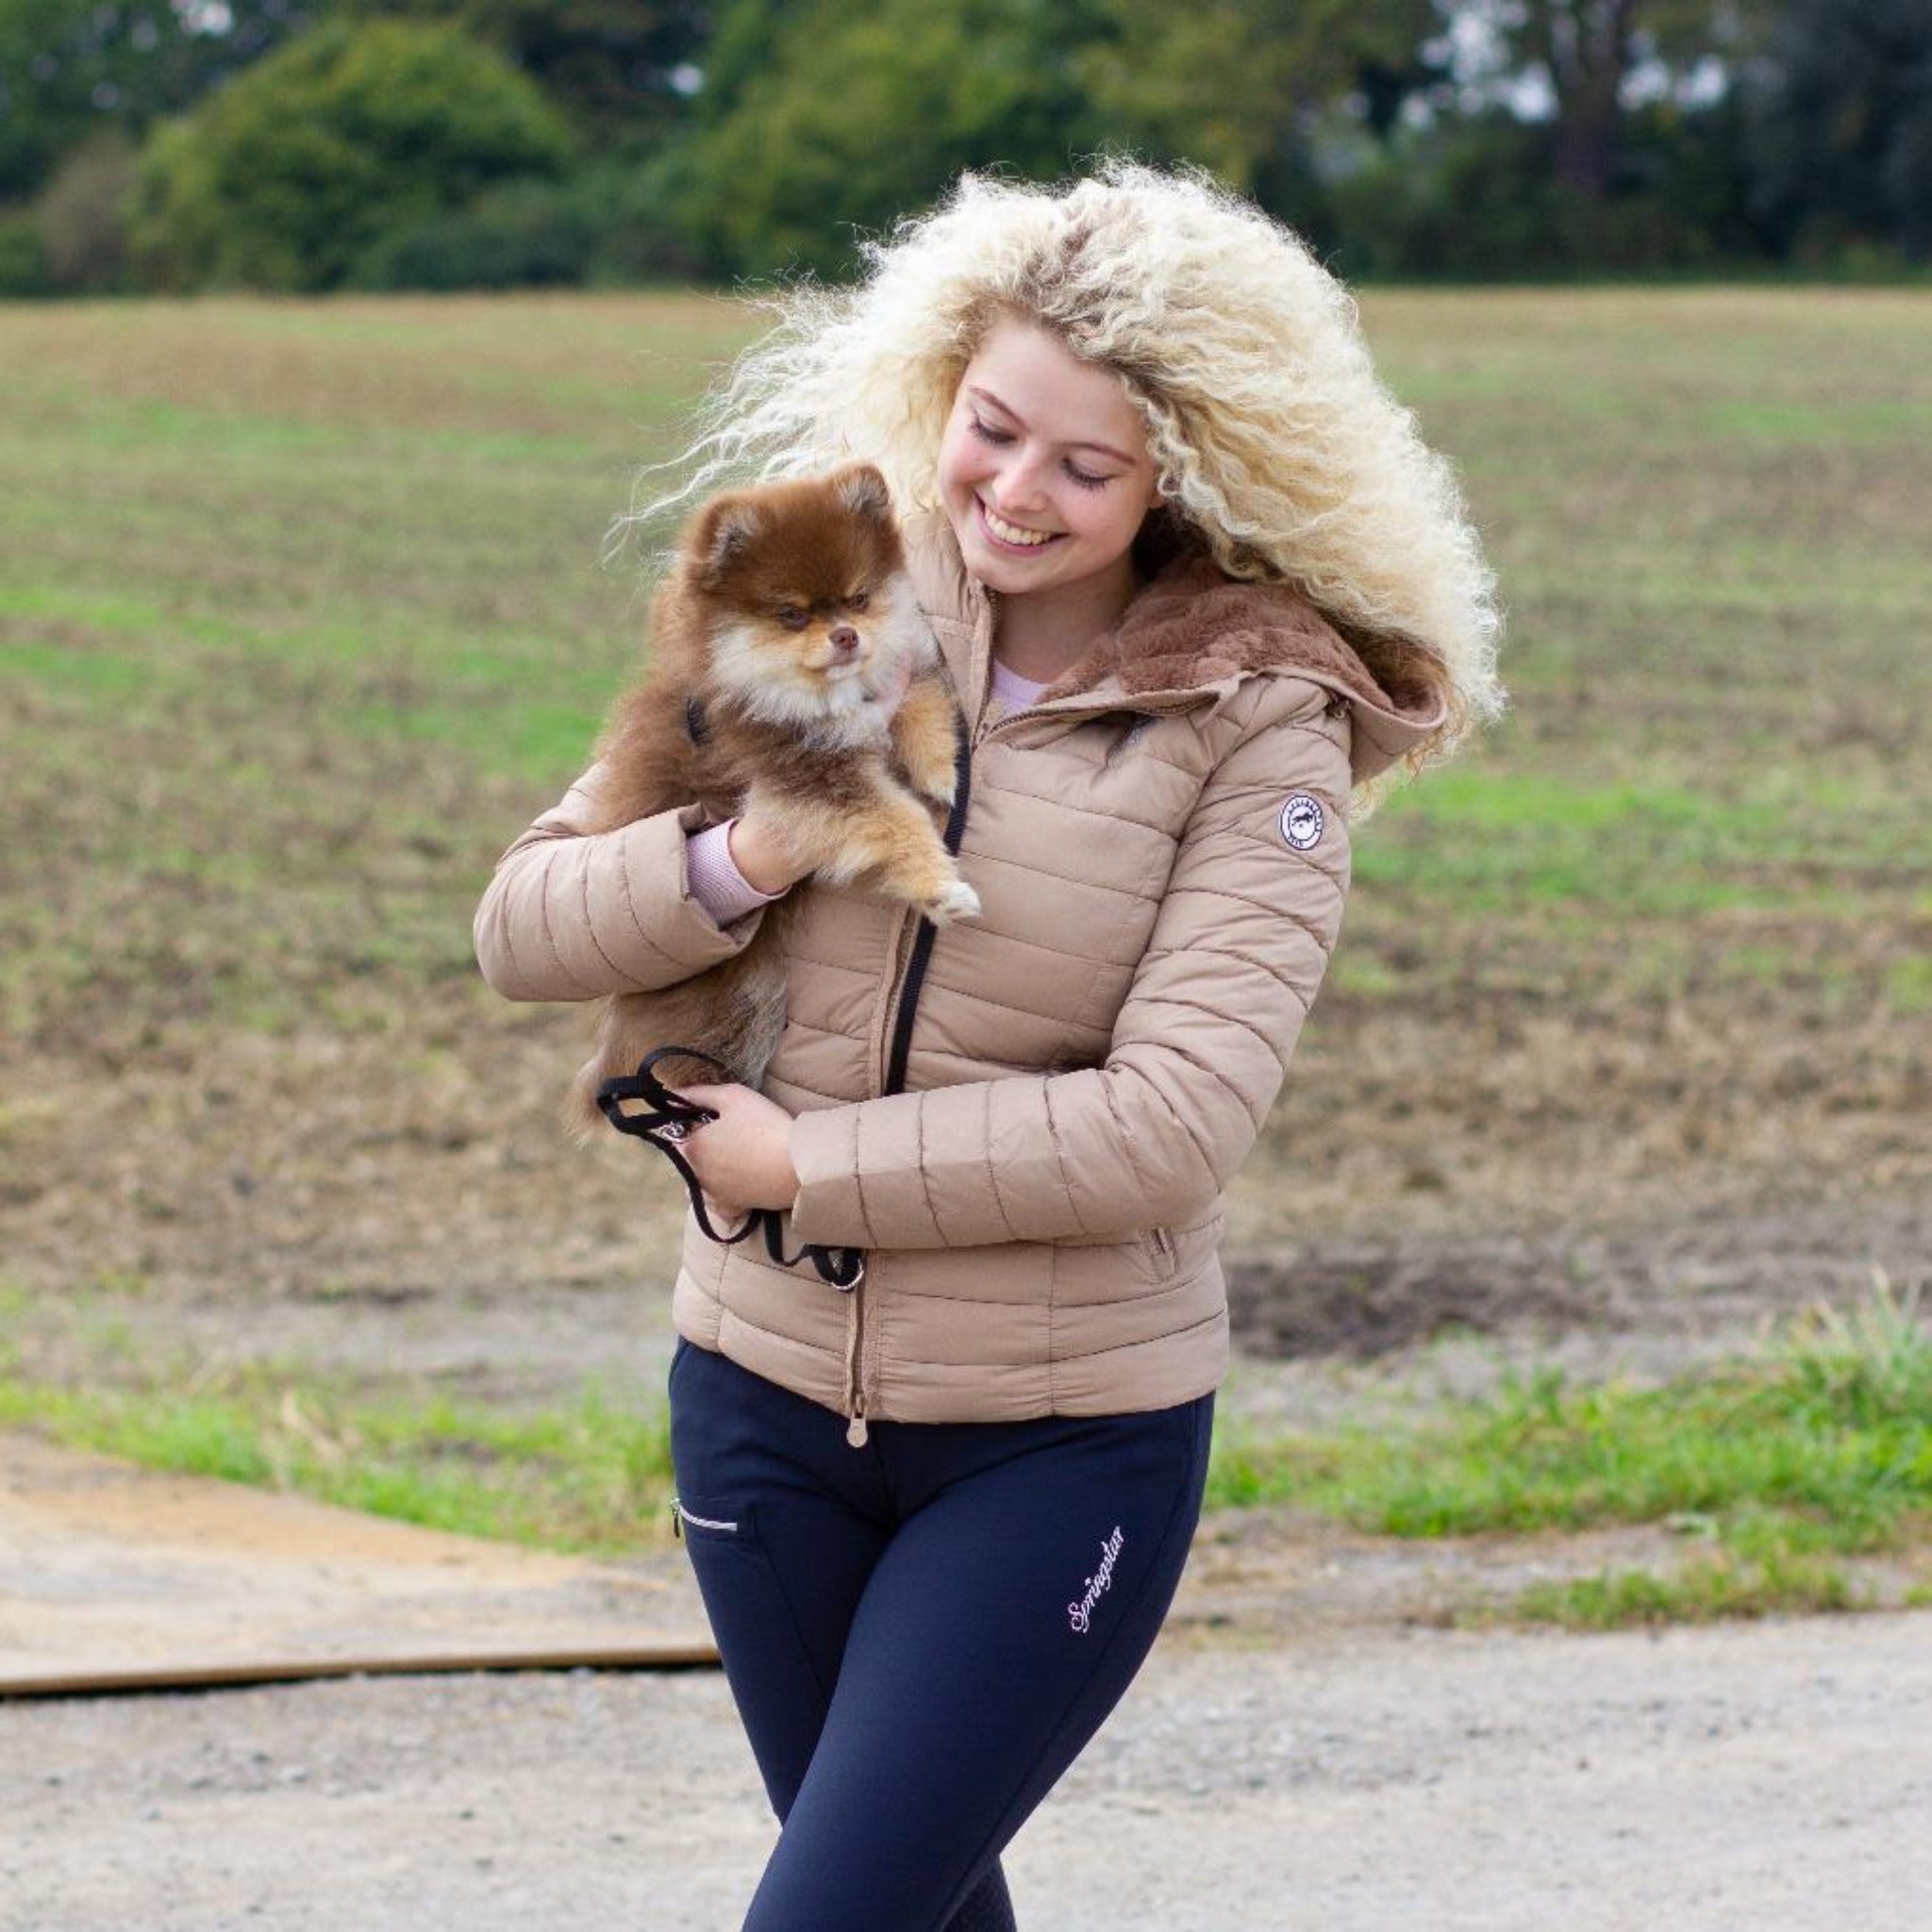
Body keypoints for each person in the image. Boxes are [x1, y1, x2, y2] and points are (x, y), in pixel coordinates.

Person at [472, 158, 1505, 1931]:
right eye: (992, 431)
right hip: (756, 1407)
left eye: (1085, 466)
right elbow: (523, 929)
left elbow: (1171, 1126)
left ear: (1192, 471)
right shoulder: (823, 604)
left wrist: (806, 1166)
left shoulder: (1263, 719)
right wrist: (751, 852)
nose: (1015, 494)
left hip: (1055, 1446)